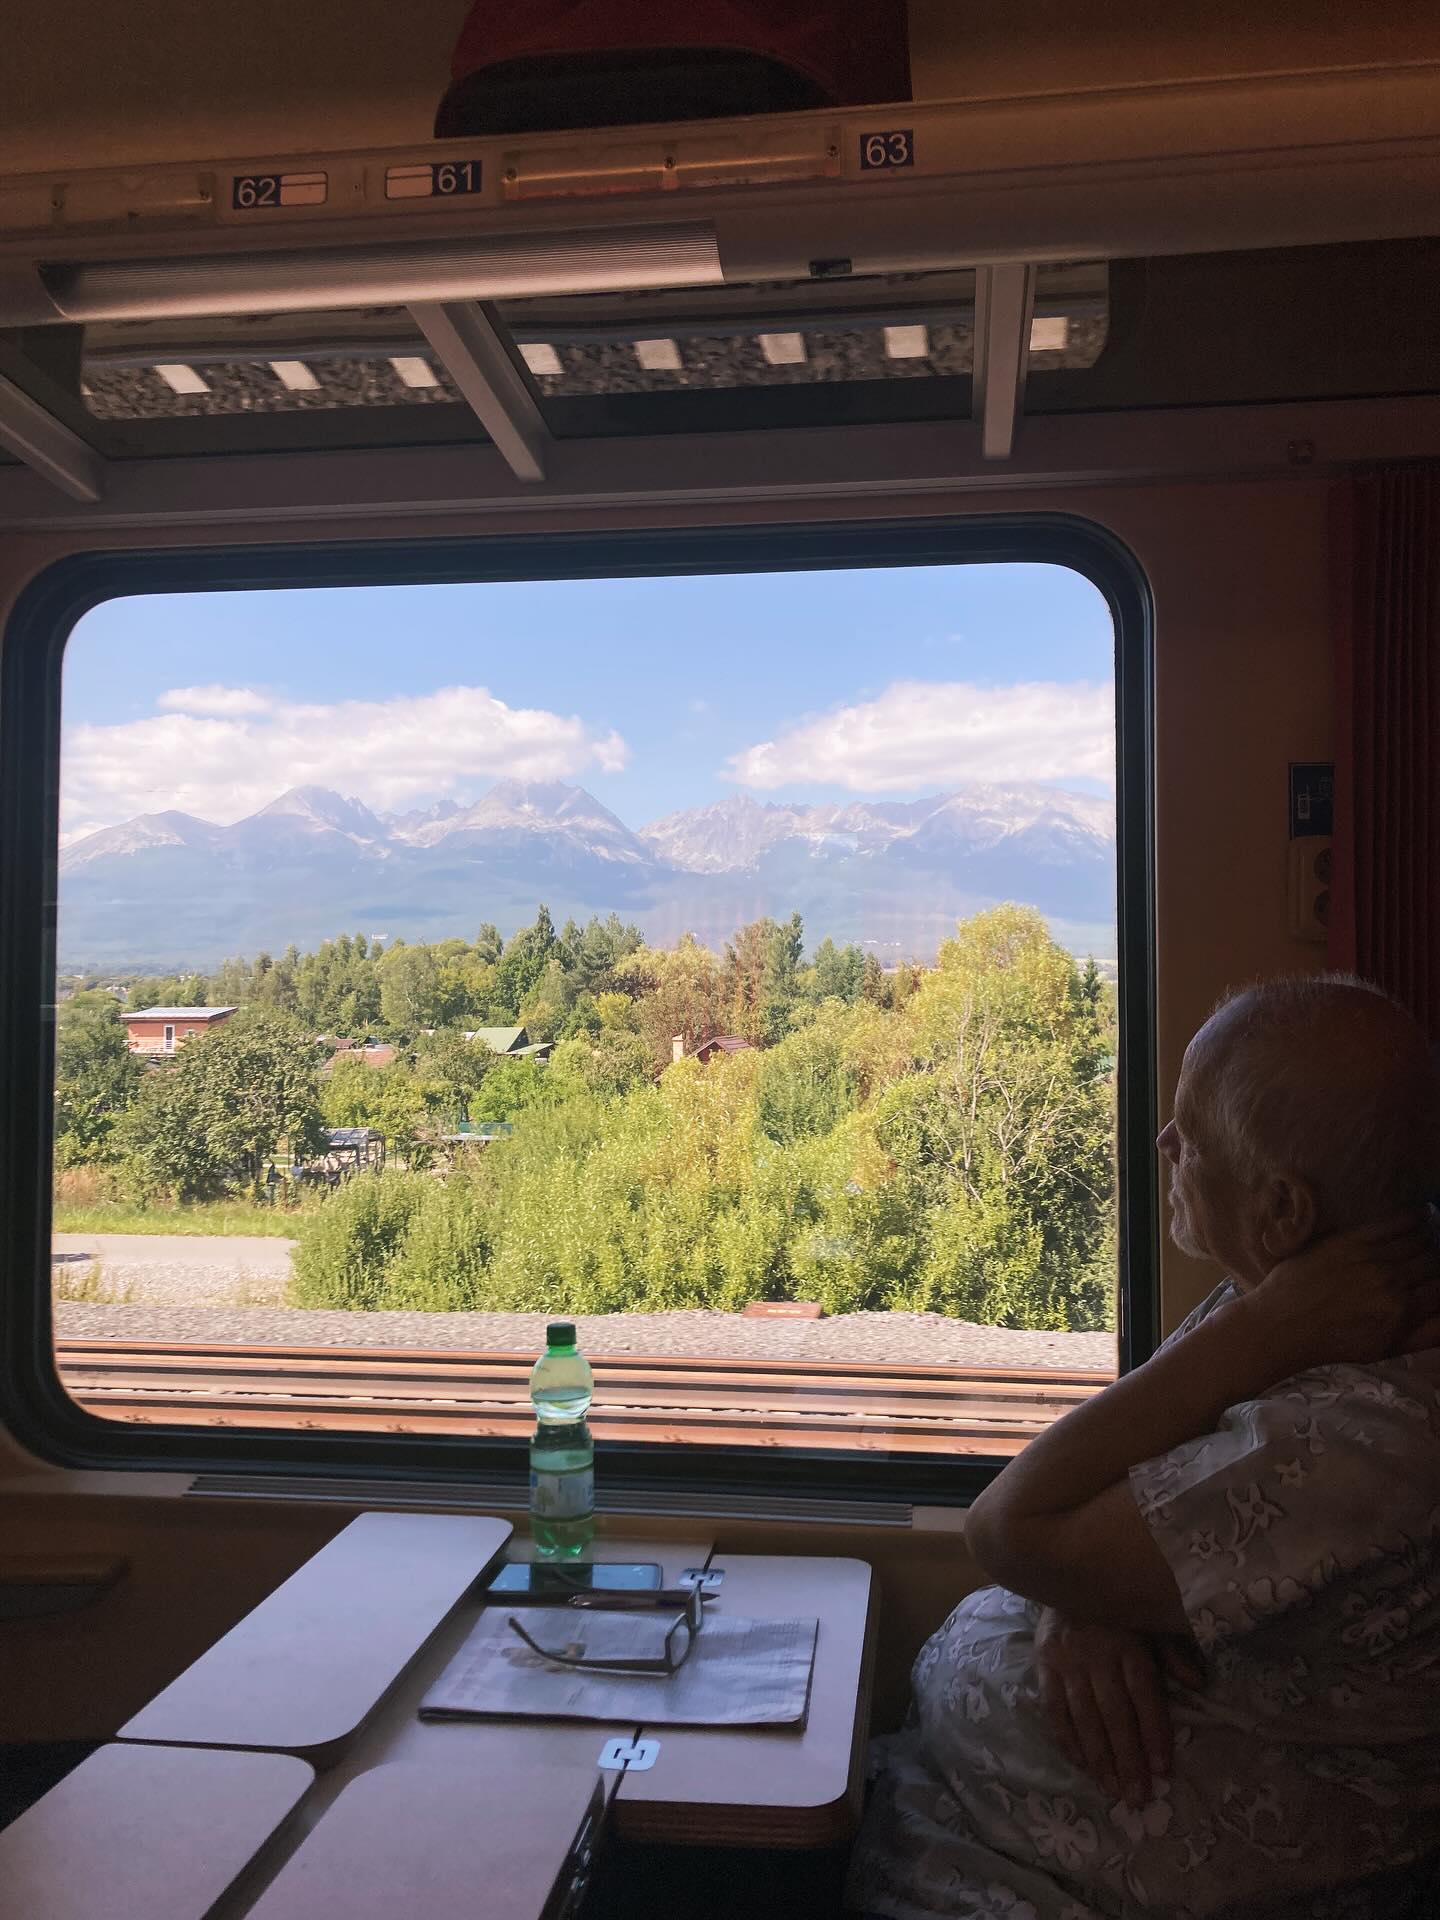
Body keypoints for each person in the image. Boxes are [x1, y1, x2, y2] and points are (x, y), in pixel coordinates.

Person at [848, 974, 1440, 1920]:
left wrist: (1257, 1333)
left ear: (1284, 1210)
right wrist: (1083, 1597)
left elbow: (1007, 1526)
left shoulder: (1353, 1427)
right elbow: (1110, 1487)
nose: (1164, 1146)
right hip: (990, 1808)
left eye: (1190, 1137)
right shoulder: (1312, 1301)